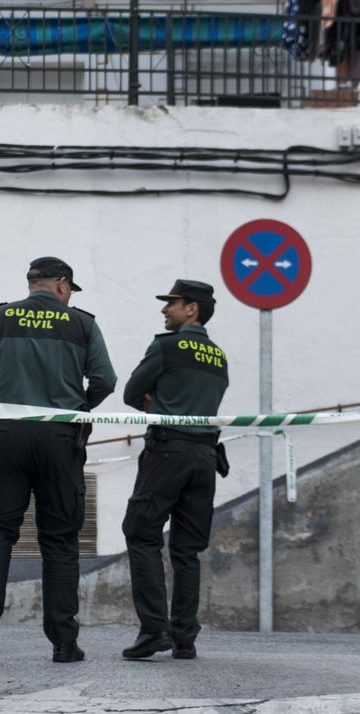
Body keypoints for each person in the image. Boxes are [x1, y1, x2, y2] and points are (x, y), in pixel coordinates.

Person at [0, 256, 116, 664]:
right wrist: (77, 408)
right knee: (60, 540)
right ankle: (64, 641)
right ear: (62, 285)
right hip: (60, 437)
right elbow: (105, 381)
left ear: (32, 284)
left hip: (5, 433)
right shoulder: (82, 324)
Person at [118, 280, 230, 660]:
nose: (165, 310)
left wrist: (154, 403)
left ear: (192, 309)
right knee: (187, 548)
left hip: (168, 450)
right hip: (205, 457)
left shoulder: (166, 346)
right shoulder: (219, 356)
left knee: (141, 531)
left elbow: (132, 393)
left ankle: (153, 630)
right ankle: (184, 636)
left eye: (172, 303)